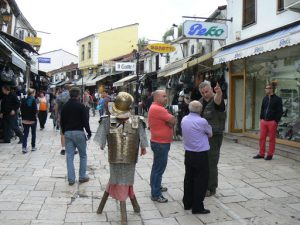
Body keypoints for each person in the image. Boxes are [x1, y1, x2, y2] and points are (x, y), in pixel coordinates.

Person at [94, 92, 148, 221]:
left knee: (124, 179)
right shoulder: (107, 120)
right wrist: (102, 144)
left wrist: (143, 147)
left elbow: (143, 137)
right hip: (114, 158)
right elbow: (101, 138)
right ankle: (129, 206)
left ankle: (126, 205)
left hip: (130, 158)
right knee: (119, 178)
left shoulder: (137, 121)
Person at [181, 101, 212, 214]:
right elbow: (210, 133)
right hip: (200, 154)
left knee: (188, 178)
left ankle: (187, 203)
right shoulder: (202, 121)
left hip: (188, 153)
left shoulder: (184, 119)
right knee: (201, 180)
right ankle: (198, 207)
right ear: (200, 110)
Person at [148, 90, 176, 203]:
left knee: (157, 167)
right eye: (164, 96)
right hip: (161, 143)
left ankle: (156, 187)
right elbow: (173, 120)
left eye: (166, 96)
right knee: (159, 169)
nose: (166, 98)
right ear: (157, 98)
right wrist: (170, 121)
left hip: (159, 141)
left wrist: (169, 122)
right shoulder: (158, 109)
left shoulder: (156, 107)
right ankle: (155, 194)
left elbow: (170, 121)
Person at [199, 81, 226, 197]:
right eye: (203, 92)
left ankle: (211, 187)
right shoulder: (200, 102)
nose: (205, 94)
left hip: (214, 136)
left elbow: (218, 101)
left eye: (207, 91)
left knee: (211, 162)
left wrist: (219, 93)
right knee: (202, 162)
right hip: (202, 136)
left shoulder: (216, 100)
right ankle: (203, 185)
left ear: (211, 89)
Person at [60, 87, 92, 185]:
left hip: (68, 133)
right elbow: (85, 121)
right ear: (78, 95)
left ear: (70, 95)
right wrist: (89, 132)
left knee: (69, 156)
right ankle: (82, 176)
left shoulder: (65, 106)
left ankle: (71, 179)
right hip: (79, 132)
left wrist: (64, 131)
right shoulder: (81, 106)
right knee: (83, 155)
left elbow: (61, 121)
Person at [253, 83, 283, 160]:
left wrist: (276, 121)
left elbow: (280, 111)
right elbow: (262, 109)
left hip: (272, 122)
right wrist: (261, 118)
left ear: (271, 89)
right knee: (262, 138)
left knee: (271, 139)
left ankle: (270, 154)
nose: (266, 89)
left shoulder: (278, 99)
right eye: (265, 88)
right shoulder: (265, 98)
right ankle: (261, 153)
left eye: (267, 88)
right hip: (264, 121)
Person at [20, 88, 37, 153]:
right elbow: (35, 110)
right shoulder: (33, 100)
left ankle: (24, 147)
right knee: (33, 134)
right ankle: (33, 147)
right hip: (32, 120)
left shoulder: (23, 100)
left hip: (25, 120)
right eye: (34, 93)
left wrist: (23, 117)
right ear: (32, 93)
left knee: (25, 134)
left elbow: (21, 109)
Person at [55, 86, 70, 155]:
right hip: (70, 116)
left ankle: (63, 149)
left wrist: (57, 115)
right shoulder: (71, 95)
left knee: (62, 133)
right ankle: (70, 148)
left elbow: (56, 106)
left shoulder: (59, 96)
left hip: (61, 116)